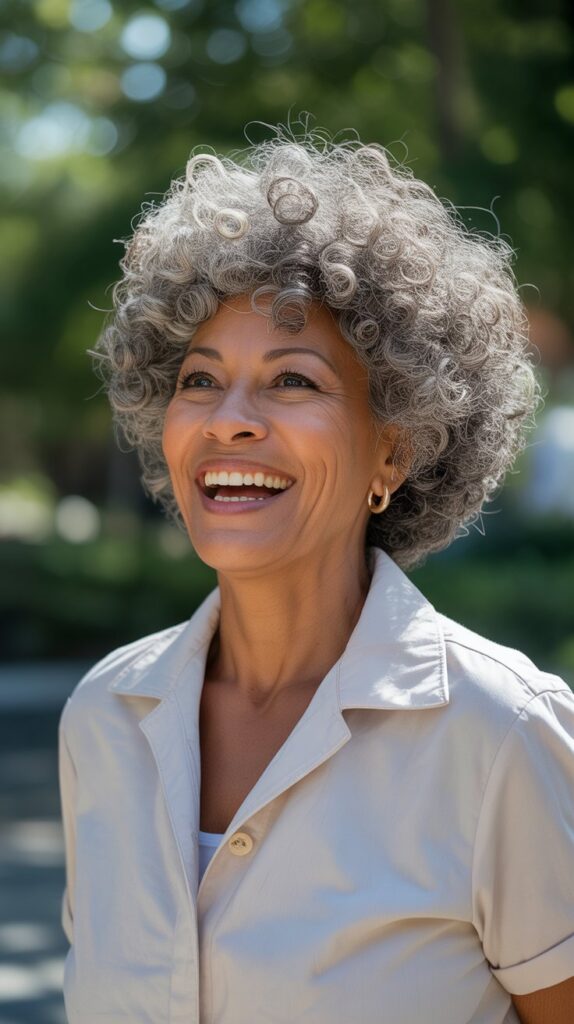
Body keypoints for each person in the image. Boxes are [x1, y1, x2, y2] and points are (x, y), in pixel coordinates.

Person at [58, 122, 574, 1024]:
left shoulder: (502, 738)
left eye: (293, 381)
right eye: (199, 379)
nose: (232, 419)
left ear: (393, 451)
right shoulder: (104, 721)